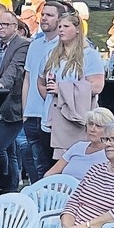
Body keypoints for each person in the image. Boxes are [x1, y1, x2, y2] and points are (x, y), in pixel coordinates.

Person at [41, 11, 105, 158]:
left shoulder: (89, 55)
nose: (61, 30)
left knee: (70, 163)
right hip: (51, 115)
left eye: (65, 26)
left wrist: (62, 89)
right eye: (59, 26)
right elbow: (41, 82)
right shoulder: (52, 54)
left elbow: (97, 86)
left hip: (74, 118)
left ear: (77, 29)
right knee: (46, 165)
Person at [0, 12, 32, 193]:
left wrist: (0, 87)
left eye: (6, 24)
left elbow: (14, 69)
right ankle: (11, 188)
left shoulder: (23, 44)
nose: (0, 28)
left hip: (14, 104)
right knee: (9, 150)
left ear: (16, 26)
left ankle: (2, 182)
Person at [22, 1, 65, 180]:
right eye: (43, 14)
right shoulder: (34, 44)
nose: (44, 18)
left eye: (50, 15)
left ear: (60, 19)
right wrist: (25, 111)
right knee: (32, 162)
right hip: (31, 113)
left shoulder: (64, 46)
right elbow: (27, 79)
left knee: (49, 165)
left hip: (51, 114)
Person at [44, 108, 114, 180]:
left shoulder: (110, 153)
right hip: (61, 188)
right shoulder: (78, 146)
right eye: (90, 124)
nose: (92, 129)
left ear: (108, 130)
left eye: (98, 126)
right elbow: (51, 172)